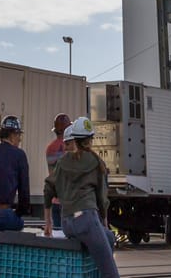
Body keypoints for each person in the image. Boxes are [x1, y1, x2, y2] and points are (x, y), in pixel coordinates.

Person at [49, 118, 120, 278]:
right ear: (90, 139)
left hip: (67, 223)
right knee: (109, 270)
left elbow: (51, 188)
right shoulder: (96, 162)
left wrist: (48, 222)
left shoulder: (62, 161)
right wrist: (103, 221)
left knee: (108, 237)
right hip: (86, 221)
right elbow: (102, 200)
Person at [45, 114, 72, 232]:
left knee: (58, 236)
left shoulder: (50, 148)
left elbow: (52, 174)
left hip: (55, 199)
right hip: (69, 200)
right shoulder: (71, 148)